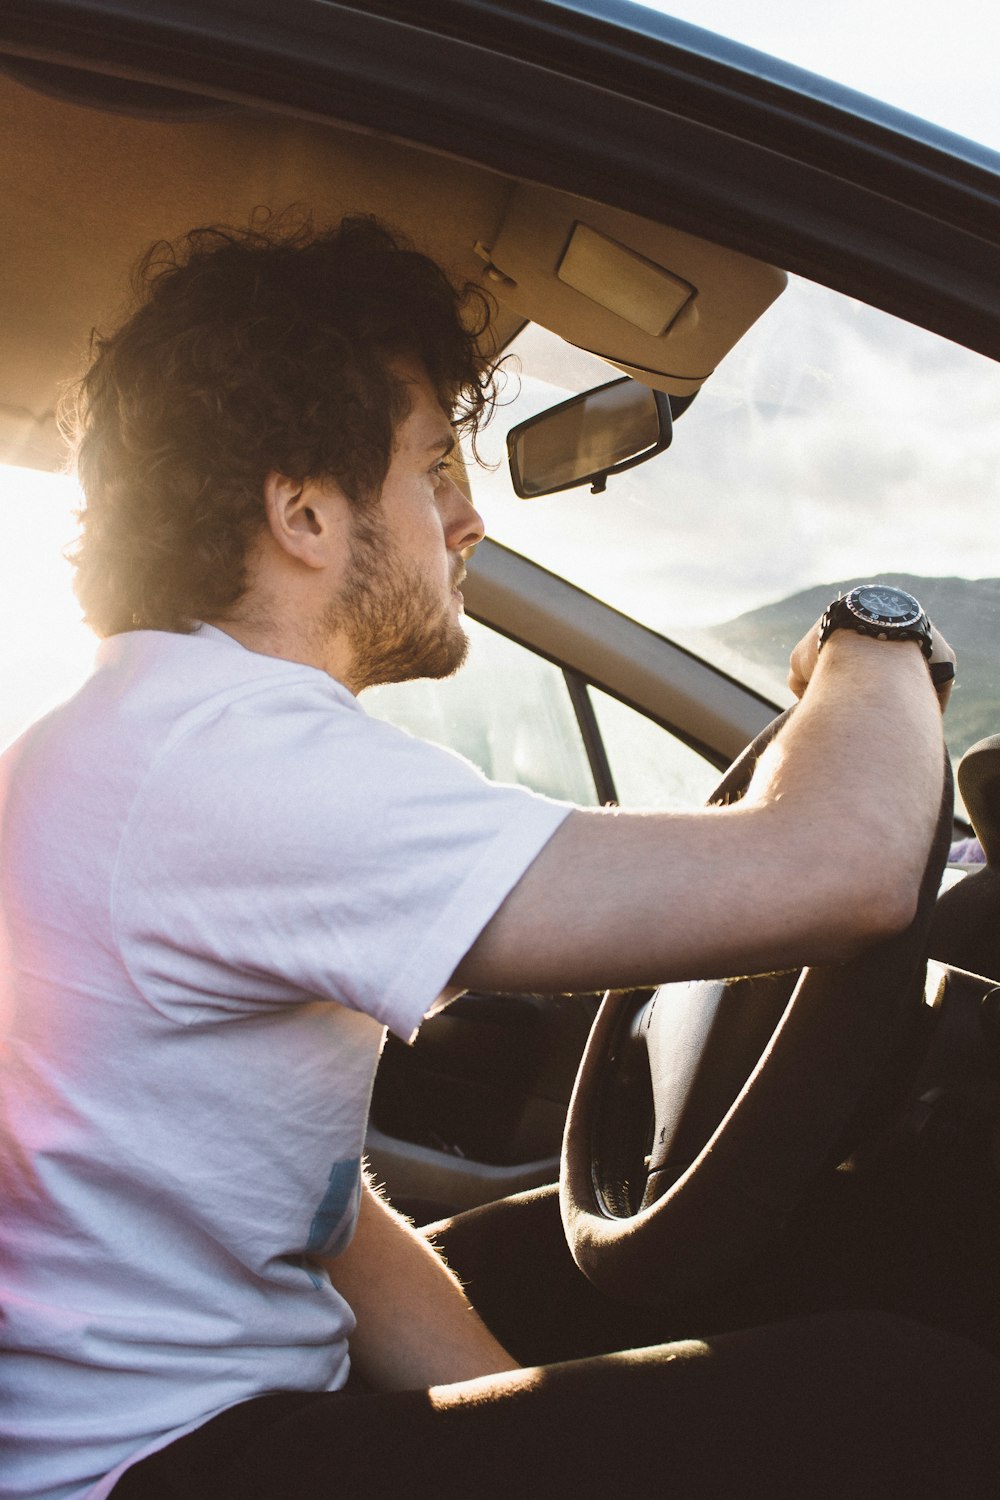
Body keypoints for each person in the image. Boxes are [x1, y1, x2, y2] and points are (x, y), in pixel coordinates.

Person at [0, 214, 994, 1500]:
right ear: (303, 511)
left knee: (717, 1272)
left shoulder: (144, 731)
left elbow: (318, 1218)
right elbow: (844, 871)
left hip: (177, 1424)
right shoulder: (227, 755)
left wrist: (520, 1409)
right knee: (902, 1402)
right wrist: (877, 634)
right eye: (432, 472)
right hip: (153, 1467)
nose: (468, 519)